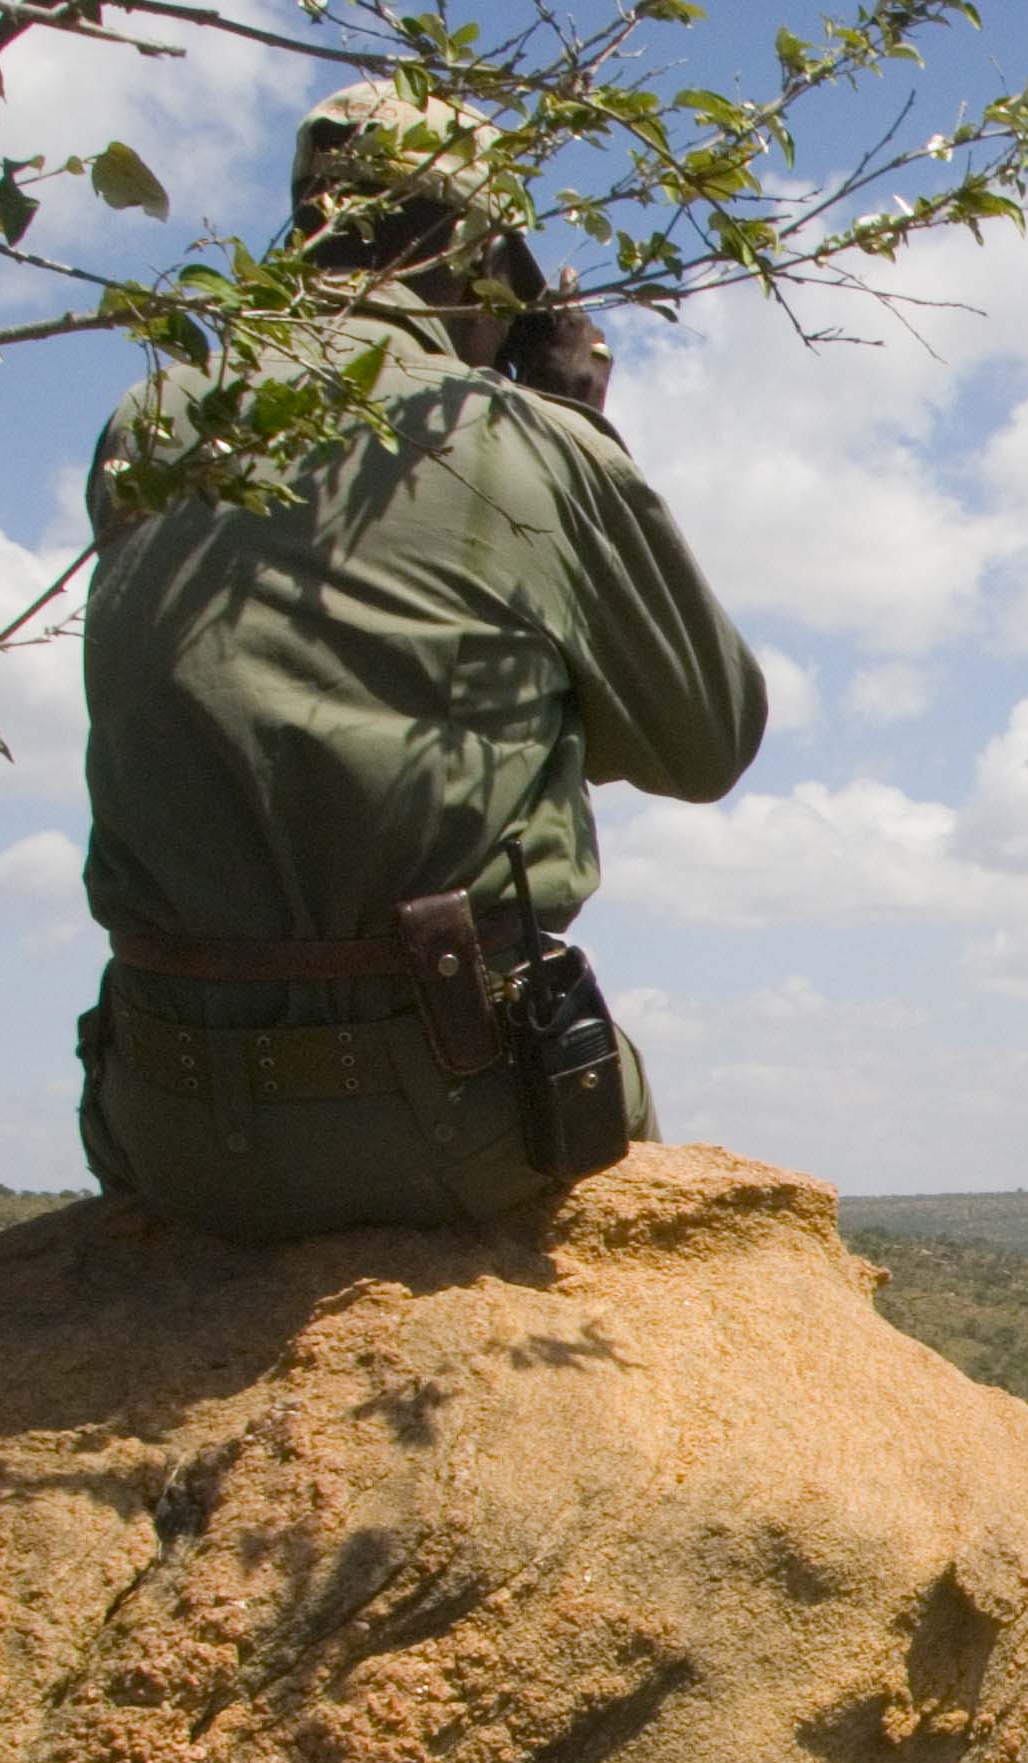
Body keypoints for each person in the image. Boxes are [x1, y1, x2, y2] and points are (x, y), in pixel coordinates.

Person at [73, 82, 765, 1240]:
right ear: (479, 259)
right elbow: (703, 743)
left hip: (167, 1123)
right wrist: (579, 424)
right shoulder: (524, 442)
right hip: (453, 1119)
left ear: (306, 230)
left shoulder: (153, 418)